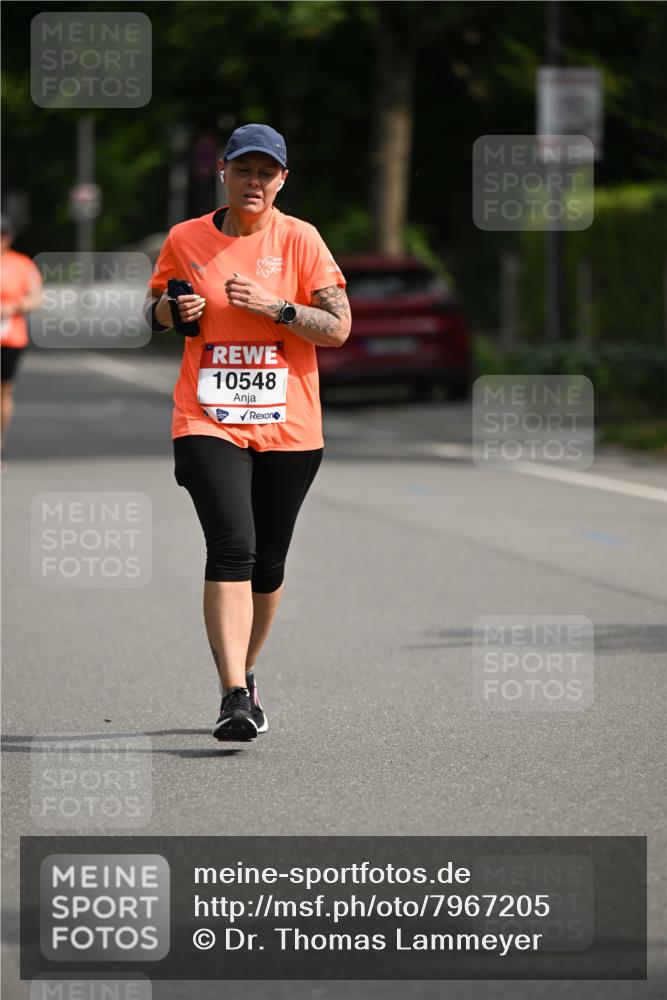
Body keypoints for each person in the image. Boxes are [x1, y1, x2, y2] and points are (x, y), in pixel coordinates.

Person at [145, 123, 350, 742]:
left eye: (267, 172)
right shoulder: (186, 239)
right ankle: (234, 695)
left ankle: (248, 669)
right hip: (206, 418)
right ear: (224, 174)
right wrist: (172, 310)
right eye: (244, 170)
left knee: (268, 562)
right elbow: (154, 310)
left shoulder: (301, 240)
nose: (254, 182)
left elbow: (337, 328)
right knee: (231, 544)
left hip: (289, 425)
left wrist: (276, 307)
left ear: (282, 180)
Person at [1, 215, 43, 461]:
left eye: (3, 234)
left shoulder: (22, 264)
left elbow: (36, 298)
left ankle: (0, 445)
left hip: (10, 338)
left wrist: (13, 307)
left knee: (3, 391)